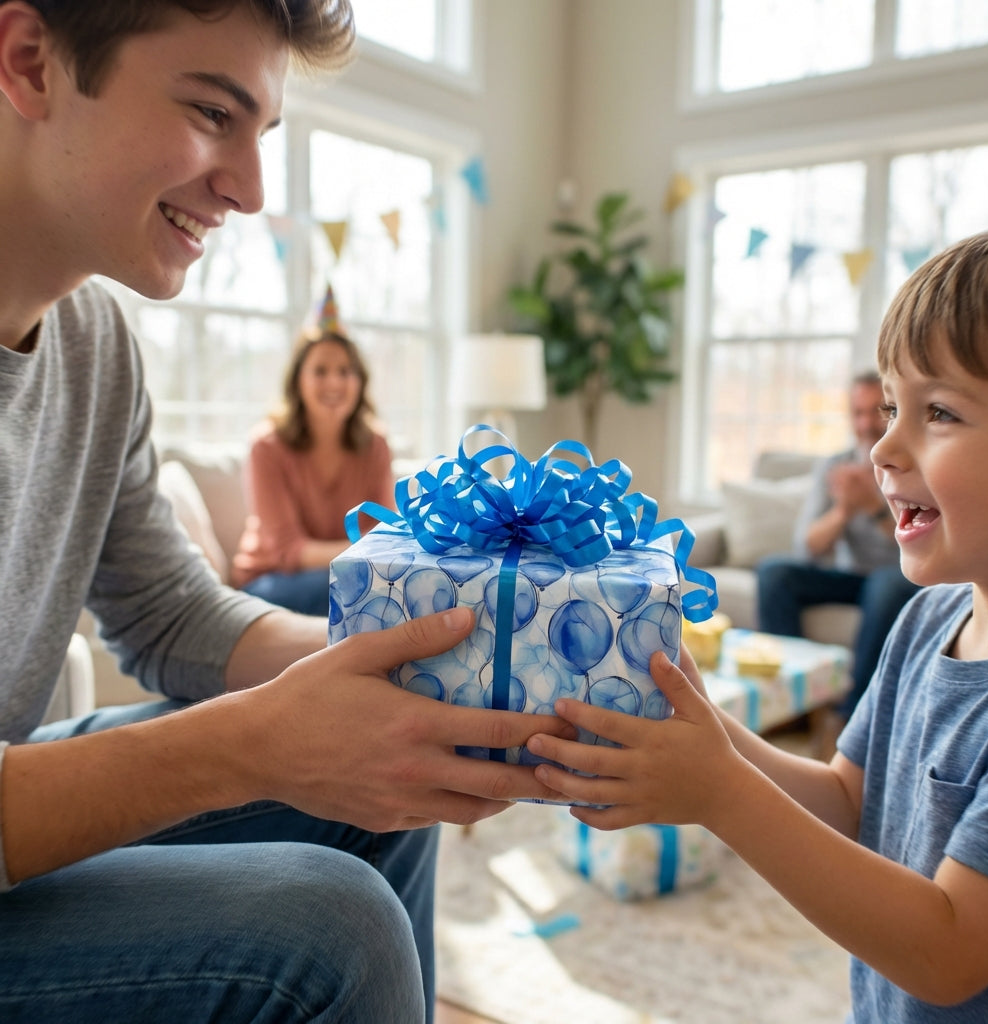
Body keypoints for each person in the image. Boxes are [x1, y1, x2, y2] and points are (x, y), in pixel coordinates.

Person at [0, 3, 567, 1021]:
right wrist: (253, 743)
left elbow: (170, 614)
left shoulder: (98, 345)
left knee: (385, 790)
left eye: (259, 134)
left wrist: (408, 660)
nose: (251, 191)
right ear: (30, 62)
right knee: (329, 925)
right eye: (212, 111)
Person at [527, 223, 988, 1022]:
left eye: (939, 412)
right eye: (891, 407)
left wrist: (721, 793)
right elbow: (848, 803)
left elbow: (950, 948)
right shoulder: (927, 620)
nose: (885, 446)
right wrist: (711, 737)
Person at [756, 370, 919, 721]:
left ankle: (852, 716)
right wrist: (844, 509)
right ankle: (789, 703)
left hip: (894, 577)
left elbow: (920, 547)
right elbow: (807, 547)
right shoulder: (834, 466)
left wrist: (874, 507)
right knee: (774, 571)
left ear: (892, 411)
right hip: (847, 577)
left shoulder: (910, 464)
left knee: (885, 584)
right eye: (856, 413)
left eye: (875, 411)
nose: (864, 424)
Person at [233, 314, 395, 617]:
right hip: (269, 581)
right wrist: (364, 561)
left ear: (360, 381)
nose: (334, 382)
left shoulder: (376, 445)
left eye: (345, 371)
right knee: (353, 586)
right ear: (298, 381)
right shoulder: (266, 447)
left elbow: (385, 531)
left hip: (352, 573)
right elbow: (288, 551)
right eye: (320, 371)